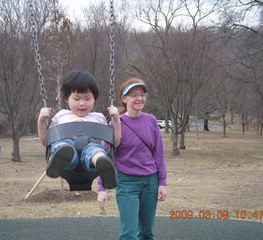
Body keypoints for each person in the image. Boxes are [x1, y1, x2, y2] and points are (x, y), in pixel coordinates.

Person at [97, 77, 167, 239]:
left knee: (147, 233)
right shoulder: (116, 123)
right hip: (127, 183)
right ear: (124, 99)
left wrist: (162, 182)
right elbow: (104, 159)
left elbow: (159, 154)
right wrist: (102, 188)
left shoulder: (151, 120)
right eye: (134, 95)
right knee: (129, 234)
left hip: (151, 182)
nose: (139, 98)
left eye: (142, 94)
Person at [37, 71, 120, 189]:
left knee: (96, 151)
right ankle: (60, 160)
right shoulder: (61, 115)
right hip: (67, 147)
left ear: (94, 99)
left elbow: (115, 143)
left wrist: (116, 120)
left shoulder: (99, 117)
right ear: (66, 99)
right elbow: (46, 141)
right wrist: (40, 121)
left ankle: (103, 166)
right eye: (76, 99)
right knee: (64, 148)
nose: (82, 103)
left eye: (87, 98)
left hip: (90, 147)